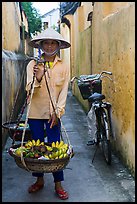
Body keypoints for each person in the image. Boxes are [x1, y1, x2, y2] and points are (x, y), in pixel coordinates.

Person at [26, 28, 71, 200]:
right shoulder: (33, 65)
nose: (50, 46)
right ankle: (39, 181)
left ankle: (58, 184)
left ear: (58, 46)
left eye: (53, 43)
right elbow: (28, 89)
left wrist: (58, 112)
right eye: (46, 42)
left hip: (53, 114)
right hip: (35, 113)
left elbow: (63, 91)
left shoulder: (63, 66)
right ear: (41, 45)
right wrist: (38, 78)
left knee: (54, 148)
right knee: (37, 149)